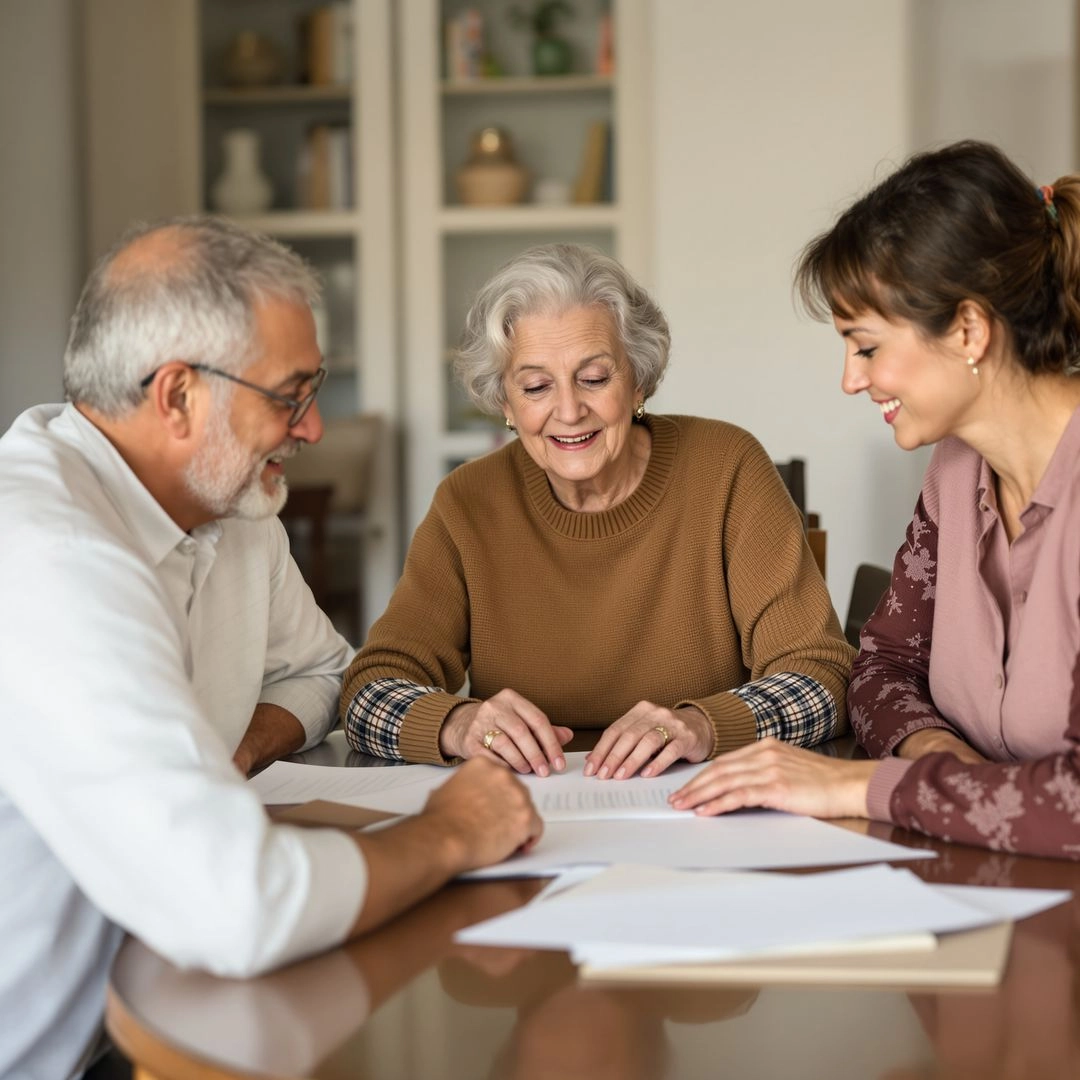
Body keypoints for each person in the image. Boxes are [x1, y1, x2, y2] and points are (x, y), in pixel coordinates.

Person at [0, 216, 541, 1080]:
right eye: (289, 394)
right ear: (178, 396)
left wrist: (229, 752)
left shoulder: (225, 504)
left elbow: (321, 668)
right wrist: (447, 832)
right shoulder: (48, 556)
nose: (315, 427)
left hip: (148, 1006)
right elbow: (234, 906)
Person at [670, 140, 1080, 860]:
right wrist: (946, 771)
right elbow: (883, 666)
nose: (851, 381)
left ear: (967, 329)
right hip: (987, 877)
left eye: (865, 346)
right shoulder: (956, 471)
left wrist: (858, 787)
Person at [341, 243, 853, 777]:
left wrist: (702, 725)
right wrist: (456, 724)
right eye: (536, 386)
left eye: (594, 378)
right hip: (532, 809)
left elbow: (822, 675)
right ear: (505, 405)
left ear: (639, 381)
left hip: (696, 802)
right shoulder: (467, 501)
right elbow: (368, 690)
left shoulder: (728, 467)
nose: (568, 410)